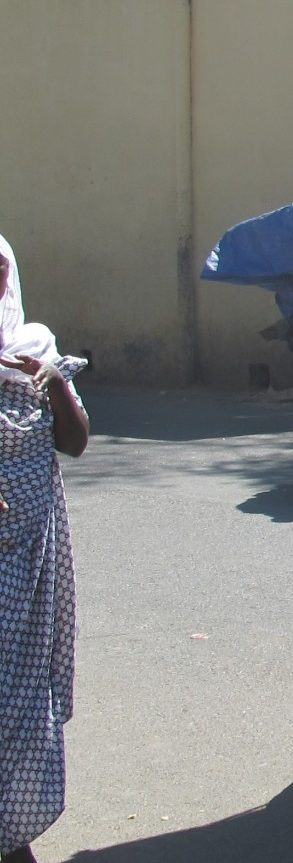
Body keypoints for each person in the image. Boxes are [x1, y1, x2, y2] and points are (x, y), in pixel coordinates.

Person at [0, 235, 90, 863]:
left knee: (24, 688)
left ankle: (13, 827)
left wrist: (56, 381)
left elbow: (76, 443)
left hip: (31, 553)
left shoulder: (33, 345)